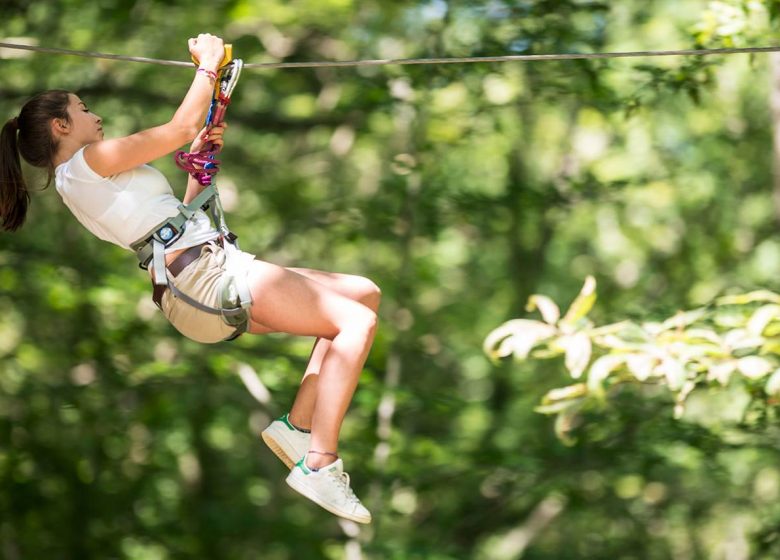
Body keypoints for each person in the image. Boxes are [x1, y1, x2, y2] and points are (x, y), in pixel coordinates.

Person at [0, 33, 379, 524]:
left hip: (195, 278)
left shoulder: (83, 180)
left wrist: (200, 164)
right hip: (205, 276)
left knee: (362, 295)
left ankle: (298, 428)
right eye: (83, 108)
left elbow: (173, 217)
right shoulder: (84, 164)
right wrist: (207, 66)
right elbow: (179, 125)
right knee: (354, 324)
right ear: (61, 125)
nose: (96, 116)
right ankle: (320, 463)